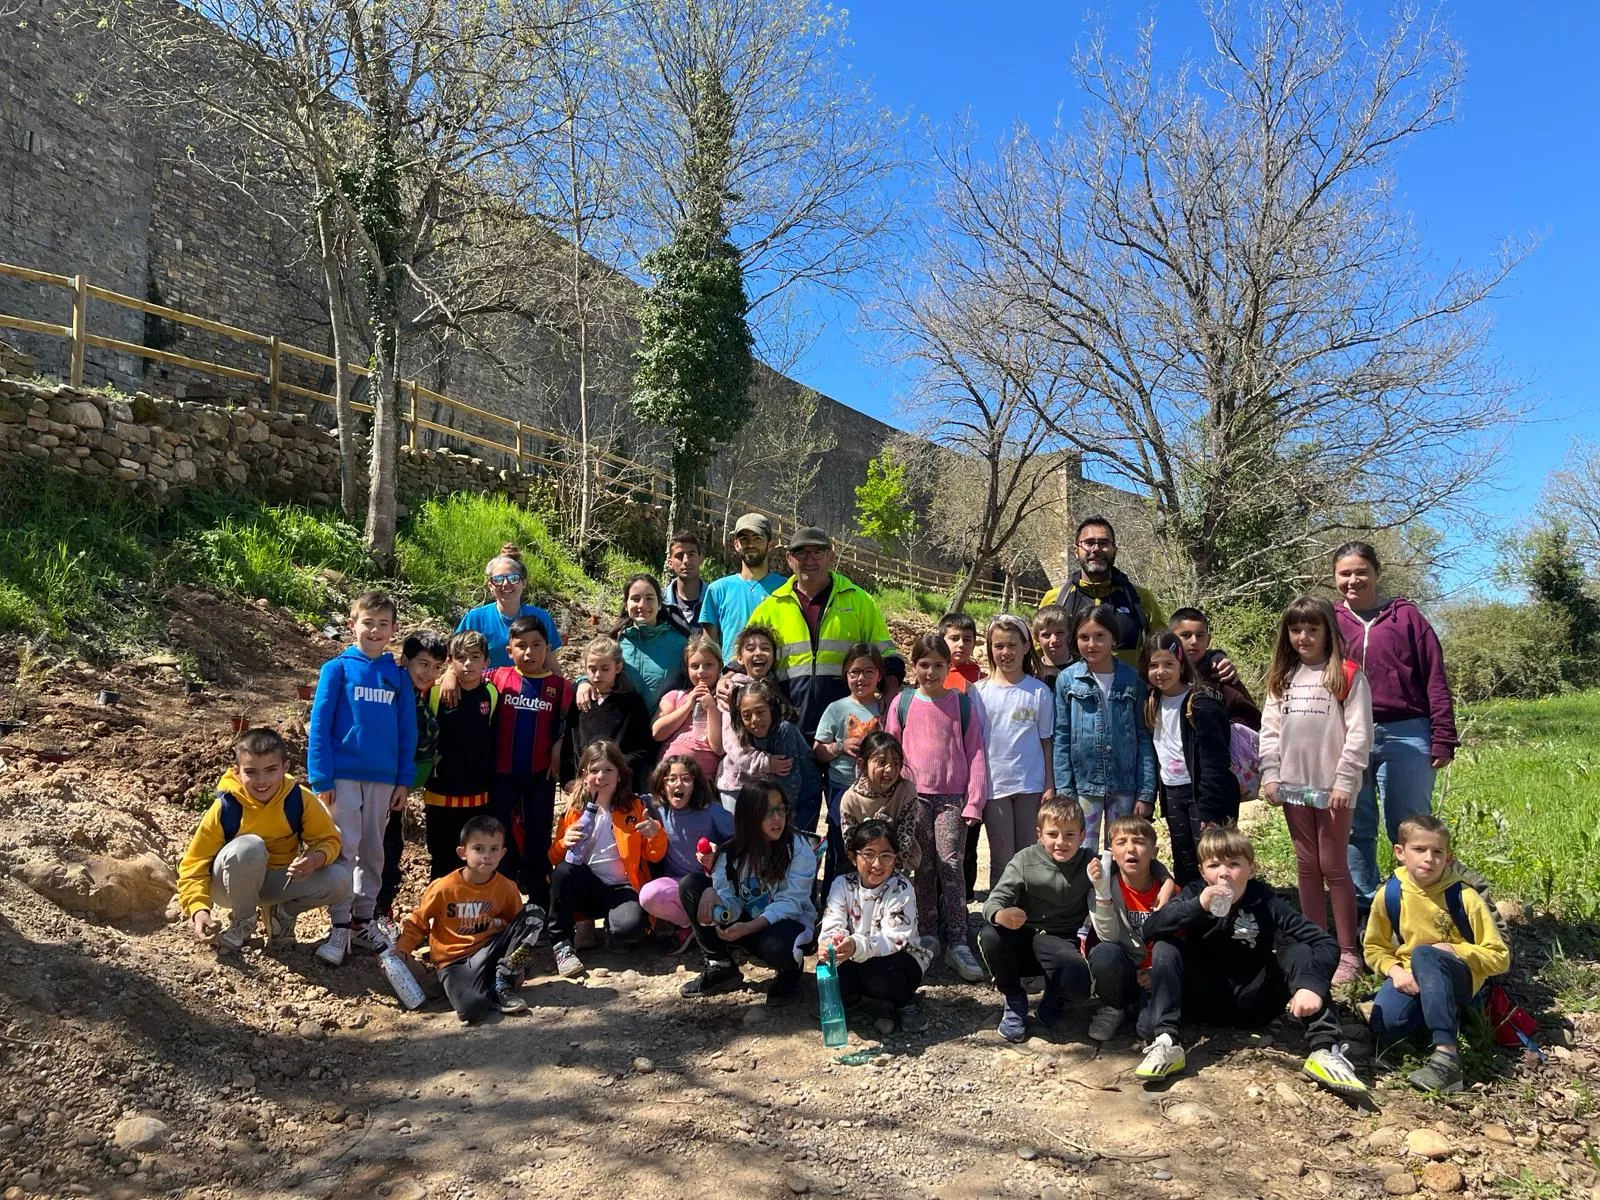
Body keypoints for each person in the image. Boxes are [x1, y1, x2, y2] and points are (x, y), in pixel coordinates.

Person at [1135, 826, 1367, 1097]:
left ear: (1251, 868)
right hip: (1200, 999)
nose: (1223, 873)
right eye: (1214, 865)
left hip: (1254, 1000)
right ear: (1202, 871)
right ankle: (1167, 1041)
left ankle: (1324, 1047)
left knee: (1298, 949)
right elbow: (1151, 929)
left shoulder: (1265, 900)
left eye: (1234, 864)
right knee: (1166, 945)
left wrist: (1311, 985)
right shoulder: (1194, 892)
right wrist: (1197, 905)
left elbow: (1324, 942)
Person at [1331, 541, 1459, 907]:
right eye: (1344, 573)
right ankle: (1365, 906)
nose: (1353, 580)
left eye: (1361, 572)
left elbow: (1435, 676)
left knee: (1411, 825)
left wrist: (1443, 736)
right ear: (1334, 578)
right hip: (1347, 734)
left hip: (1407, 731)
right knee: (1355, 826)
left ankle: (1418, 903)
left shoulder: (1407, 618)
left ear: (1376, 573)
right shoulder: (1331, 622)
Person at [1261, 596, 1373, 985]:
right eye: (1295, 630)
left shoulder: (1345, 674)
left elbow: (1359, 734)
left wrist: (1345, 779)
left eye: (1312, 629)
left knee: (1334, 867)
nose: (1303, 637)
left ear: (1328, 630)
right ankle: (1315, 942)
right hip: (1293, 787)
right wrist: (1271, 774)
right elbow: (1270, 732)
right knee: (1307, 867)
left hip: (1333, 789)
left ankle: (1347, 952)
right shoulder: (1282, 677)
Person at [307, 591, 418, 966]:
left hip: (384, 779)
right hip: (342, 777)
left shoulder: (397, 676)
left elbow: (407, 730)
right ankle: (338, 925)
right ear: (352, 624)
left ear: (393, 630)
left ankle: (362, 920)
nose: (374, 630)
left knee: (373, 849)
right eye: (367, 622)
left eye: (383, 624)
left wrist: (404, 778)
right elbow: (319, 726)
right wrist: (321, 777)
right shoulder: (336, 670)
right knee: (344, 845)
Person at [1363, 813, 1509, 1094]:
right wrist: (1395, 972)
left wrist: (1455, 949)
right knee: (1386, 1027)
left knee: (1425, 955)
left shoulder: (1465, 897)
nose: (1429, 858)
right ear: (1400, 853)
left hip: (1460, 978)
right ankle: (1435, 1013)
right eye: (1419, 849)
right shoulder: (1391, 893)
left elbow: (1500, 957)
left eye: (1437, 852)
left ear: (1449, 857)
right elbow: (1374, 947)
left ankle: (1447, 1057)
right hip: (1412, 976)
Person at [179, 727, 350, 953]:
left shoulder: (299, 799)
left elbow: (329, 840)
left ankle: (282, 915)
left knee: (340, 879)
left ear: (285, 767)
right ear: (237, 772)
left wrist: (315, 859)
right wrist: (199, 909)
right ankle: (243, 921)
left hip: (280, 881)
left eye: (271, 770)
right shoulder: (226, 808)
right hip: (229, 885)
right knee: (249, 847)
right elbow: (194, 864)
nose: (262, 781)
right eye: (251, 772)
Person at [886, 633, 988, 983]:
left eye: (938, 665)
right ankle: (927, 932)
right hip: (914, 799)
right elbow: (892, 752)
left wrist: (974, 801)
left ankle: (958, 939)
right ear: (914, 667)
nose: (931, 671)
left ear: (949, 667)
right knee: (923, 866)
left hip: (951, 799)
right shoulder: (902, 703)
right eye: (924, 664)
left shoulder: (961, 704)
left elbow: (975, 753)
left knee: (951, 865)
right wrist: (894, 798)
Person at [747, 526, 905, 739]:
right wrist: (725, 679)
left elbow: (888, 655)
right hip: (786, 728)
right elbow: (741, 660)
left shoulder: (859, 602)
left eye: (817, 552)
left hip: (848, 730)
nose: (808, 559)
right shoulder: (769, 608)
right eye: (800, 552)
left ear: (831, 556)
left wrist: (890, 690)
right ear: (788, 558)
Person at [390, 814, 546, 1022]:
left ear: (502, 853)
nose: (487, 856)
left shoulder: (507, 887)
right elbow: (418, 922)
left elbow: (515, 925)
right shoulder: (443, 887)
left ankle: (502, 981)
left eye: (494, 849)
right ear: (462, 853)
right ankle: (491, 987)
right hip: (454, 962)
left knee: (533, 914)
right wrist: (402, 951)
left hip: (490, 951)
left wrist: (500, 924)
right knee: (472, 1010)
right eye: (478, 849)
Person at [679, 779, 819, 1007]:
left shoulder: (798, 848)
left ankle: (789, 972)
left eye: (780, 809)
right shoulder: (731, 852)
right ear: (749, 816)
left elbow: (790, 903)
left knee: (778, 945)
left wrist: (749, 927)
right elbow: (731, 900)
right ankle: (720, 966)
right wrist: (714, 897)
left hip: (786, 924)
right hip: (746, 922)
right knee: (692, 886)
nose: (777, 819)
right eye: (767, 812)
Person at [977, 796, 1095, 1042]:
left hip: (1063, 944)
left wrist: (1164, 876)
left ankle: (1056, 992)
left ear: (1082, 836)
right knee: (990, 934)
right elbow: (992, 902)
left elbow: (1132, 868)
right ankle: (1014, 998)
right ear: (1039, 834)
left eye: (1069, 835)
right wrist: (1002, 914)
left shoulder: (1090, 862)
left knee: (1079, 983)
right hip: (1026, 941)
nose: (1061, 842)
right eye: (1053, 834)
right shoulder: (1024, 860)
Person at [546, 741, 666, 978]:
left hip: (621, 886)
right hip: (586, 885)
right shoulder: (574, 810)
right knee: (563, 872)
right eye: (594, 770)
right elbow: (555, 858)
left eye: (608, 770)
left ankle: (612, 928)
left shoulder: (635, 806)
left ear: (620, 775)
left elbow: (654, 855)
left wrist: (655, 834)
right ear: (583, 774)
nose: (600, 776)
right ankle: (563, 945)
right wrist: (562, 843)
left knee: (630, 931)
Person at [1053, 604, 1156, 854]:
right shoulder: (1067, 680)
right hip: (1083, 787)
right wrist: (1065, 791)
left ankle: (1117, 895)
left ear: (1114, 639)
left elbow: (1144, 738)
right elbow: (1062, 737)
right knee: (1082, 853)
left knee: (1123, 851)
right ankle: (1088, 895)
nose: (1092, 644)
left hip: (1125, 785)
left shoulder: (1133, 680)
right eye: (1084, 637)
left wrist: (1146, 792)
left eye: (1100, 636)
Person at [1141, 631, 1240, 887]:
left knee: (1214, 860)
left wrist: (1209, 808)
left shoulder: (1201, 702)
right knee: (1184, 859)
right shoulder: (1152, 701)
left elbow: (1215, 761)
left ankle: (1223, 917)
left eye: (1168, 664)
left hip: (1202, 795)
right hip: (1173, 793)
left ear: (1181, 664)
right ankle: (1192, 918)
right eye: (1153, 665)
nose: (1160, 672)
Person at [485, 616, 572, 907]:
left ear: (547, 649)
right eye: (521, 646)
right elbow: (463, 676)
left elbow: (572, 723)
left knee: (538, 835)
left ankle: (539, 899)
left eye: (536, 645)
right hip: (502, 773)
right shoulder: (497, 677)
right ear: (509, 650)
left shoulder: (559, 686)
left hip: (540, 776)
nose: (529, 652)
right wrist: (448, 675)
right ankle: (504, 896)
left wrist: (561, 743)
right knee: (500, 831)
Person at [819, 819, 933, 1034]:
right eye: (868, 854)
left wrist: (854, 945)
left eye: (886, 856)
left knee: (879, 976)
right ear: (854, 857)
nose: (877, 864)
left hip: (897, 958)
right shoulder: (841, 885)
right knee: (833, 973)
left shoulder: (901, 888)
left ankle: (903, 1002)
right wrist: (831, 944)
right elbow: (833, 922)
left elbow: (894, 939)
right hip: (855, 953)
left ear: (895, 859)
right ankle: (858, 999)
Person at [972, 614, 1056, 887]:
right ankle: (999, 916)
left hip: (1030, 785)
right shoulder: (978, 692)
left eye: (1012, 645)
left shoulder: (1039, 692)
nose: (1005, 653)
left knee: (1030, 855)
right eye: (999, 646)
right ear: (990, 649)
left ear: (1025, 647)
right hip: (994, 786)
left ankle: (1029, 916)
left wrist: (1049, 784)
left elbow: (1046, 742)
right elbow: (974, 743)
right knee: (1002, 857)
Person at [1084, 815, 1176, 1042]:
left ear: (1153, 851)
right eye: (1121, 842)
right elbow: (1107, 936)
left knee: (1148, 1030)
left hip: (1157, 976)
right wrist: (1103, 893)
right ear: (1111, 852)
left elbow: (1180, 942)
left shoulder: (1169, 891)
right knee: (1105, 953)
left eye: (1140, 842)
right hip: (1123, 971)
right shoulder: (1102, 887)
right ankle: (1113, 1007)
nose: (1130, 849)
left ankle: (1139, 1007)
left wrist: (1157, 971)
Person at [377, 630, 447, 921]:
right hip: (382, 784)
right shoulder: (392, 692)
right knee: (381, 848)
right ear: (404, 661)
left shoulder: (422, 695)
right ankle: (370, 912)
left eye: (436, 667)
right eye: (423, 664)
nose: (429, 672)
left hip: (401, 788)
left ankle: (380, 908)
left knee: (391, 846)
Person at [421, 631, 500, 880]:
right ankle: (438, 912)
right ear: (450, 661)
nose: (468, 664)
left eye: (475, 657)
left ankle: (471, 913)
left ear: (486, 662)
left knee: (474, 857)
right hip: (439, 794)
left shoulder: (491, 694)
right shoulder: (433, 693)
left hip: (477, 794)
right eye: (461, 658)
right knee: (441, 856)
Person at [1040, 517, 1167, 668]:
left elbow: (1162, 650)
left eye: (1103, 543)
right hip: (1065, 690)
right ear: (1076, 551)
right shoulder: (1055, 599)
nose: (1096, 549)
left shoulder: (1140, 599)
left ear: (1115, 550)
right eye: (1089, 543)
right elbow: (1035, 652)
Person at [812, 643, 885, 879]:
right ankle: (834, 901)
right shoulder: (837, 708)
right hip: (841, 787)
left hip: (877, 790)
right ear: (846, 675)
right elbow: (818, 749)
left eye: (868, 672)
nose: (860, 678)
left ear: (879, 675)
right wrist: (839, 746)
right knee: (840, 845)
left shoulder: (886, 707)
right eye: (854, 672)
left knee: (872, 845)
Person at [638, 755, 732, 936]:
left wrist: (719, 851)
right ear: (662, 785)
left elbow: (741, 840)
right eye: (671, 779)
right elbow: (624, 799)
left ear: (695, 784)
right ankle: (689, 925)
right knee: (648, 895)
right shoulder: (655, 807)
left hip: (711, 886)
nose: (678, 784)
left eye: (686, 779)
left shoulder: (710, 810)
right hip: (676, 886)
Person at [722, 677, 819, 824]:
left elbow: (790, 780)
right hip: (776, 794)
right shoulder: (742, 730)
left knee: (796, 839)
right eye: (747, 715)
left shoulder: (784, 731)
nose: (754, 719)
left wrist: (782, 815)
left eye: (760, 712)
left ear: (771, 709)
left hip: (805, 794)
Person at [561, 636, 654, 787]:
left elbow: (642, 748)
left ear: (617, 667)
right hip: (583, 785)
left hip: (620, 786)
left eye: (605, 669)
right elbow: (570, 745)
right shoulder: (580, 700)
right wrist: (568, 779)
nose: (598, 675)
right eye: (592, 669)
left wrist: (614, 768)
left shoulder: (632, 702)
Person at [454, 544, 562, 671]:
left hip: (531, 688)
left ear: (524, 583)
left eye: (513, 578)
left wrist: (578, 684)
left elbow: (551, 665)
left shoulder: (540, 618)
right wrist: (450, 677)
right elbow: (454, 657)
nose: (506, 584)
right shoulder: (475, 619)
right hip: (485, 689)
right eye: (498, 579)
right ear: (490, 586)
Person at [713, 624, 784, 804]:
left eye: (765, 648)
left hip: (766, 784)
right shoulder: (733, 691)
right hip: (737, 786)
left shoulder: (775, 689)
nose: (758, 653)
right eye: (750, 649)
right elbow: (732, 743)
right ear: (739, 658)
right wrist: (765, 763)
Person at [699, 513, 785, 662]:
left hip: (776, 678)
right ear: (736, 544)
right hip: (731, 680)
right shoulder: (717, 590)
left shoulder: (786, 588)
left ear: (770, 544)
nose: (750, 544)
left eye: (757, 538)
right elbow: (708, 648)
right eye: (744, 539)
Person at [838, 731, 920, 872]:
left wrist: (891, 875)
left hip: (898, 866)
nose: (890, 770)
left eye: (895, 763)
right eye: (881, 762)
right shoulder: (851, 800)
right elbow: (851, 846)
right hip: (863, 870)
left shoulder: (906, 792)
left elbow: (905, 839)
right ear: (862, 764)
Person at [1168, 607, 1260, 730]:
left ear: (1208, 640)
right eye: (1186, 635)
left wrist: (1221, 730)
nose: (1194, 641)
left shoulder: (1222, 673)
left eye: (1200, 636)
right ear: (1171, 638)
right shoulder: (1163, 674)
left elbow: (1252, 718)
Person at [652, 633, 725, 780]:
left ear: (719, 666)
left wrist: (711, 707)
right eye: (694, 666)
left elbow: (718, 747)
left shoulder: (723, 700)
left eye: (708, 665)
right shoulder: (675, 696)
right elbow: (657, 733)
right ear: (687, 669)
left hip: (702, 779)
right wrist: (688, 705)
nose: (701, 671)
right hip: (668, 775)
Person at [662, 529, 706, 626]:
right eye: (679, 556)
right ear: (670, 563)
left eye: (691, 554)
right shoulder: (659, 602)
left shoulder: (714, 600)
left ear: (700, 559)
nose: (686, 560)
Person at [1030, 605, 1073, 689]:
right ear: (1036, 638)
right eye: (1046, 635)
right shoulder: (1032, 674)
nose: (1054, 640)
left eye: (1060, 633)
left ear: (1069, 635)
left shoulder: (1083, 671)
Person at [940, 612, 984, 691]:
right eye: (954, 638)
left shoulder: (981, 681)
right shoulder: (930, 675)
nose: (961, 644)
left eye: (967, 640)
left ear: (973, 644)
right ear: (941, 642)